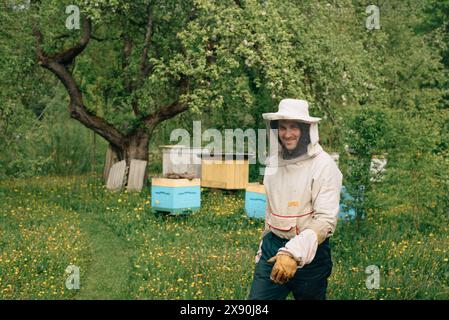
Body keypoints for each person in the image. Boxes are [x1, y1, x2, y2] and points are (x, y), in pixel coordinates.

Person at [248, 98, 343, 300]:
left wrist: (293, 253)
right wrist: (263, 245)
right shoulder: (273, 162)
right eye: (282, 127)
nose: (287, 134)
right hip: (272, 249)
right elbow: (271, 210)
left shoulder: (323, 165)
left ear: (306, 129)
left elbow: (325, 220)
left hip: (311, 253)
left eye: (293, 127)